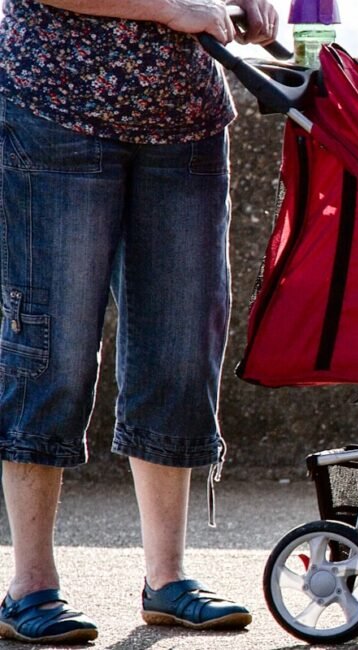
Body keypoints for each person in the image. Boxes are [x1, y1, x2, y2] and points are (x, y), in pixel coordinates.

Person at [0, 0, 278, 643]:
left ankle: (168, 580)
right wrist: (174, 8)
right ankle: (30, 587)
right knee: (51, 352)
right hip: (53, 115)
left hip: (188, 124)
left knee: (180, 350)